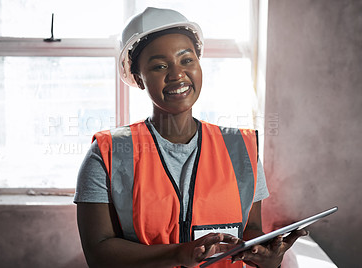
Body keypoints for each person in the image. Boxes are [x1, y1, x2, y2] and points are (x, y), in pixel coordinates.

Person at [74, 7, 307, 268]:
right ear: (139, 79)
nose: (177, 74)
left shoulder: (241, 148)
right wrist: (178, 254)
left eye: (187, 60)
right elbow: (98, 253)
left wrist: (267, 256)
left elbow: (250, 228)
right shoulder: (107, 153)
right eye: (160, 66)